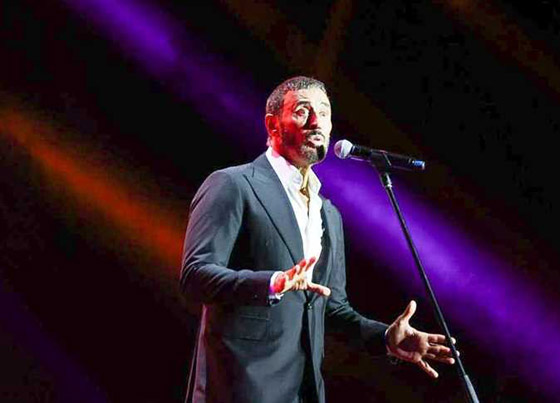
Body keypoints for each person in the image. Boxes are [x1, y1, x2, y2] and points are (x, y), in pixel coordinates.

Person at [180, 76, 455, 403]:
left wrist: (384, 338)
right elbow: (195, 275)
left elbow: (331, 308)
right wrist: (272, 283)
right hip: (240, 387)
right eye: (302, 111)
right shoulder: (234, 184)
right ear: (272, 125)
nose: (316, 121)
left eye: (324, 112)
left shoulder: (328, 213)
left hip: (304, 391)